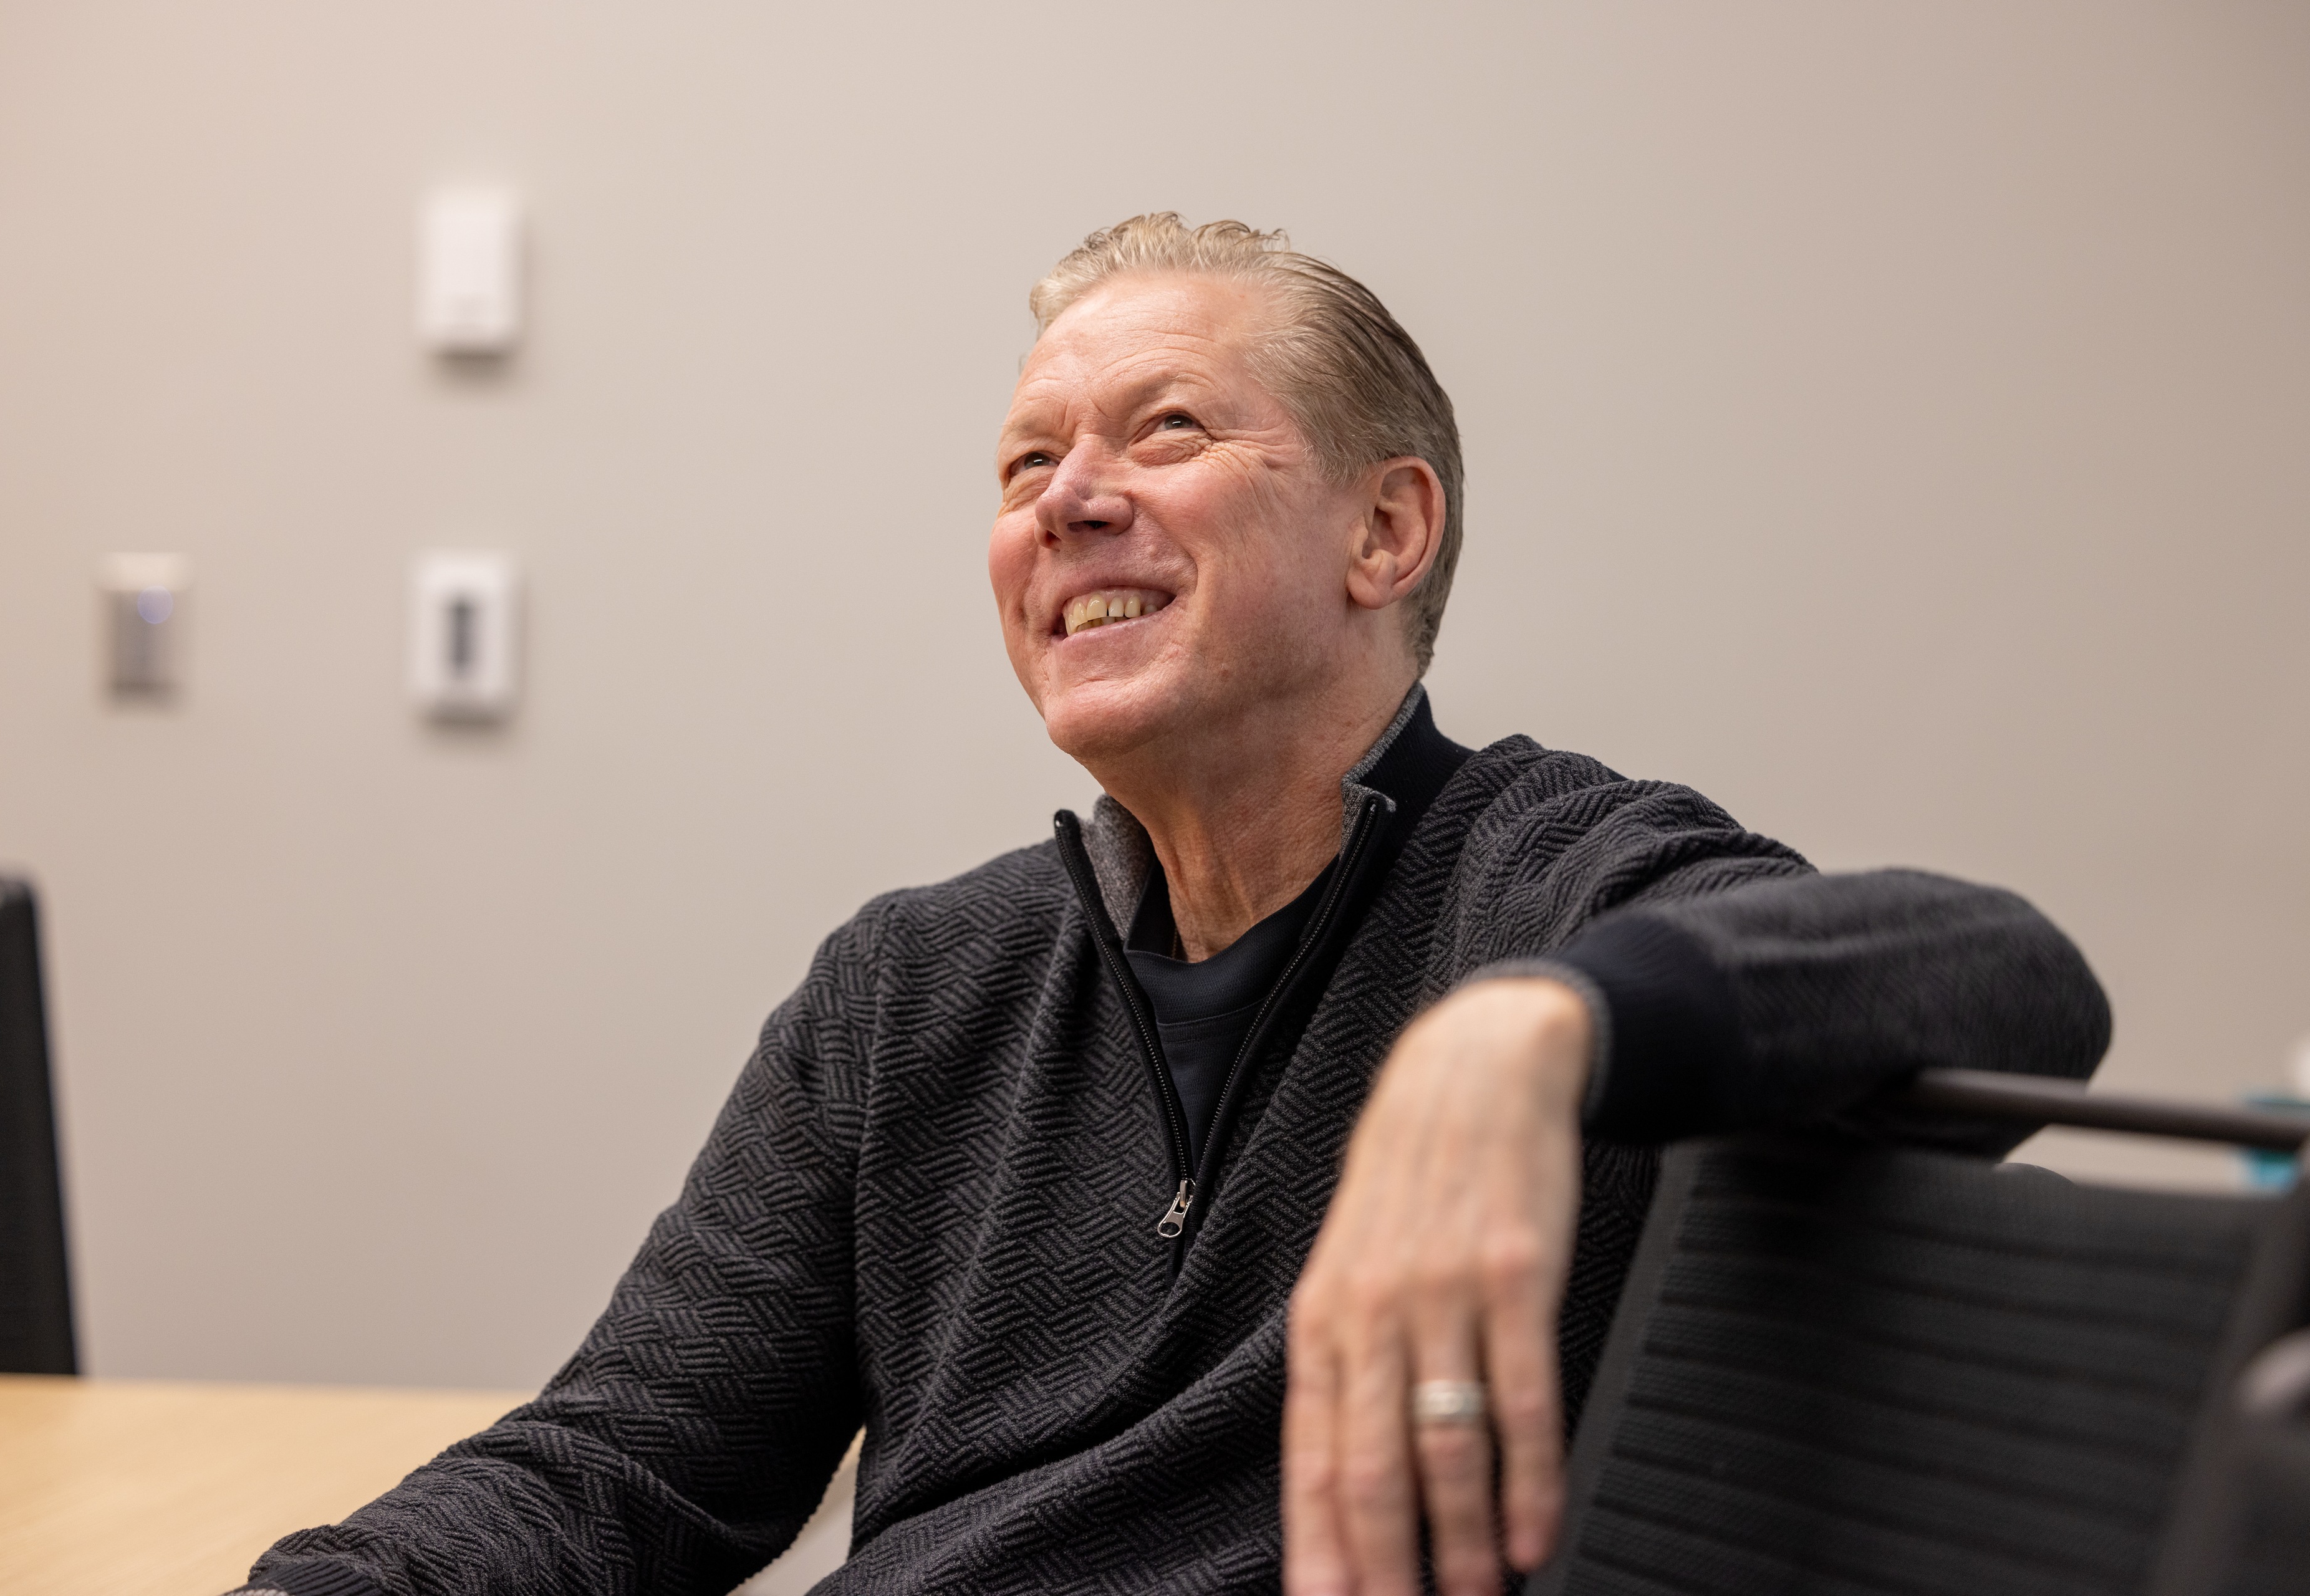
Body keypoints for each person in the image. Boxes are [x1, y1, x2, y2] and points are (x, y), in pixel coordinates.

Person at [233, 216, 2109, 1596]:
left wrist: (1536, 1036)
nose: (1070, 502)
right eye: (1027, 463)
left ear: (1386, 533)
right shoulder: (909, 989)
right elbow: (622, 1469)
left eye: (1168, 434)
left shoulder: (1541, 884)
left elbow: (2009, 981)